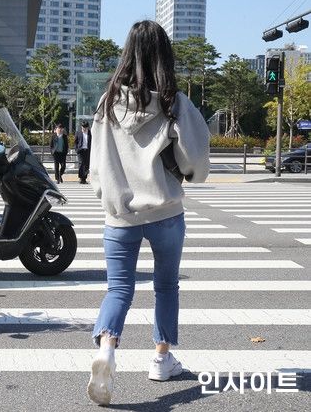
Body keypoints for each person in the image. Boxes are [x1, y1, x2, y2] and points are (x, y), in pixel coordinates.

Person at [85, 21, 210, 405]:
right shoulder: (174, 101)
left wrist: (104, 192)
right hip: (165, 211)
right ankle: (161, 358)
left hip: (120, 215)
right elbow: (195, 158)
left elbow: (96, 162)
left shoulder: (107, 103)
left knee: (119, 289)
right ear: (164, 55)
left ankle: (107, 347)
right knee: (165, 286)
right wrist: (188, 174)